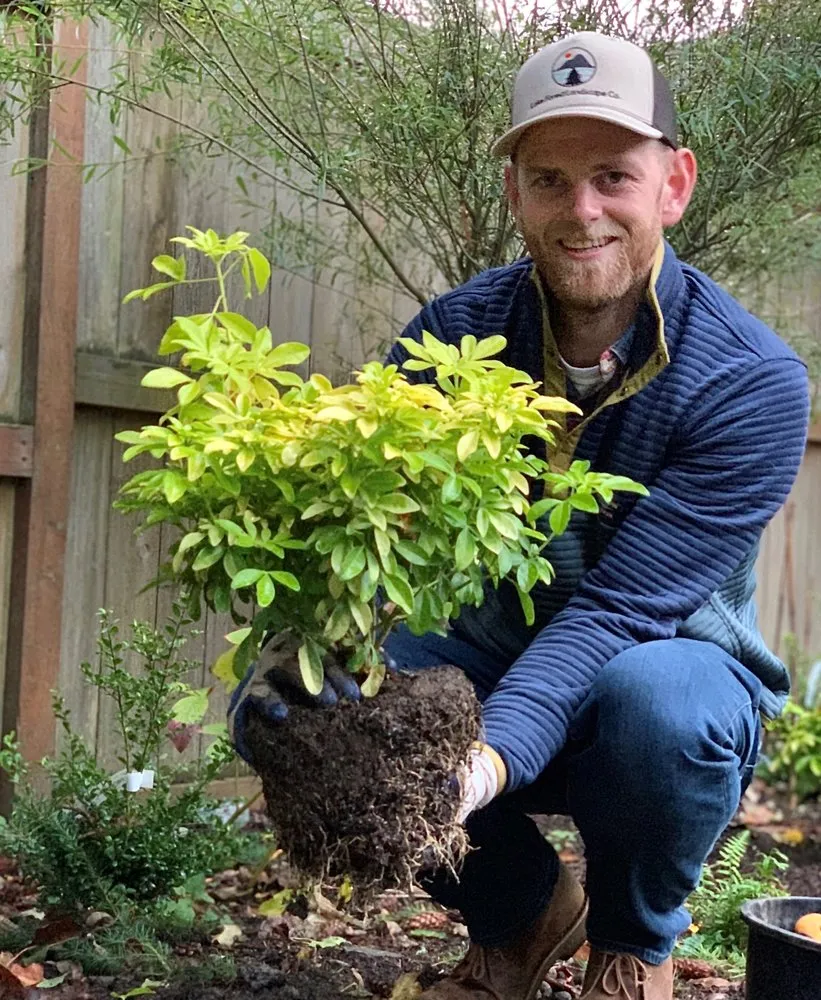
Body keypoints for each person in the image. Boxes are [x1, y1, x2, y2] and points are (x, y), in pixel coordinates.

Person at [229, 31, 809, 1000]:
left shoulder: (748, 382)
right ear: (514, 195)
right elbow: (377, 541)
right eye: (549, 180)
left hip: (664, 673)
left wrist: (482, 764)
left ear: (673, 185)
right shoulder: (454, 336)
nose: (581, 211)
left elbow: (618, 611)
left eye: (613, 177)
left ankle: (631, 946)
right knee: (291, 702)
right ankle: (519, 911)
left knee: (656, 702)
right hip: (491, 653)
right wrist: (313, 643)